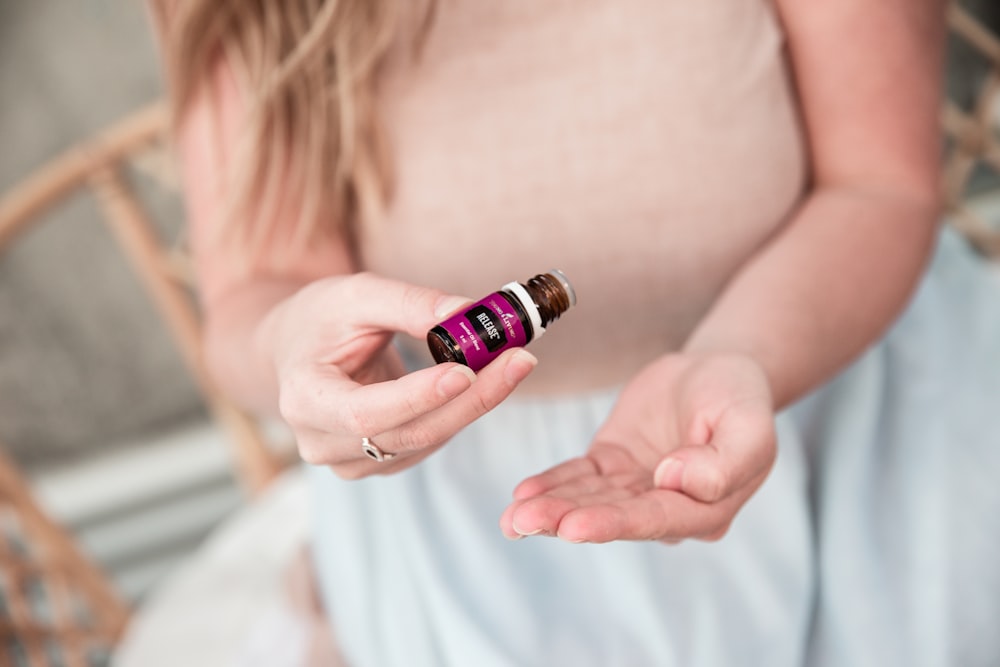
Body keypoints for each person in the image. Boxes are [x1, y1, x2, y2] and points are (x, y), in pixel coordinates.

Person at [151, 1, 1000, 665]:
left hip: (845, 417)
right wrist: (293, 352)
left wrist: (740, 355)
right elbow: (254, 289)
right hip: (472, 534)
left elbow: (878, 184)